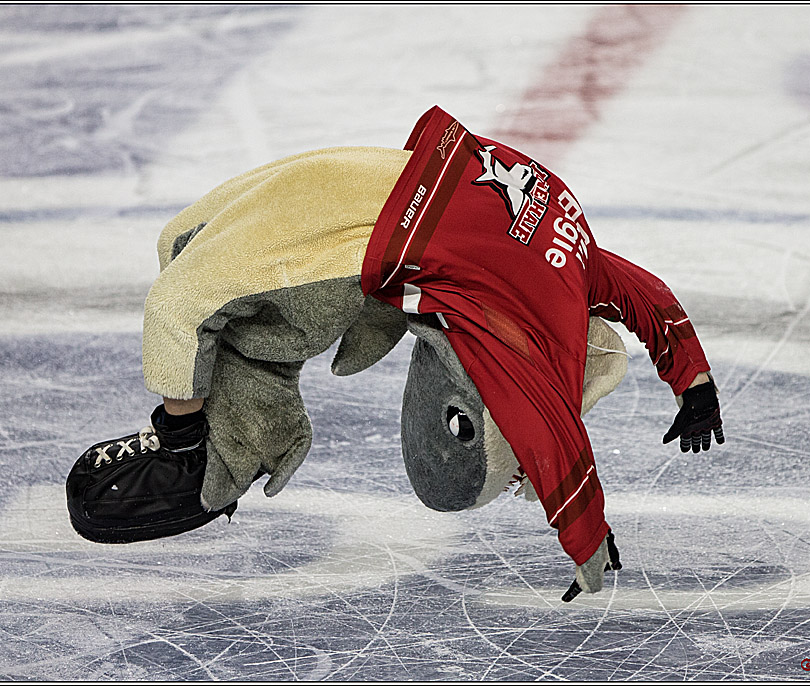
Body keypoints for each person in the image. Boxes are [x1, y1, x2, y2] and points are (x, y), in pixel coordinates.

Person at [70, 106, 724, 596]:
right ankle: (206, 452)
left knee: (182, 257)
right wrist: (589, 540)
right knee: (189, 286)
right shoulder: (531, 319)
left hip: (374, 186)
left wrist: (695, 386)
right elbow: (549, 425)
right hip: (370, 230)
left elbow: (642, 298)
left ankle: (211, 444)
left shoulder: (571, 248)